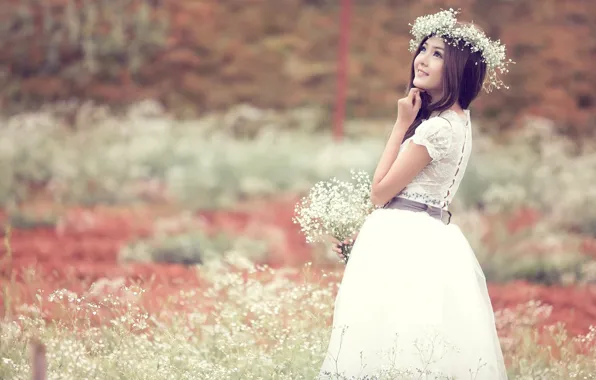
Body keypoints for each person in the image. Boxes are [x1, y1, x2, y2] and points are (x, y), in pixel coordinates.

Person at [319, 9, 512, 380]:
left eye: (437, 54)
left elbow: (379, 192)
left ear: (458, 68)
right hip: (432, 232)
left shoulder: (437, 130)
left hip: (403, 235)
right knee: (419, 334)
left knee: (387, 334)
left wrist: (401, 124)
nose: (422, 59)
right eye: (423, 49)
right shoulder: (460, 121)